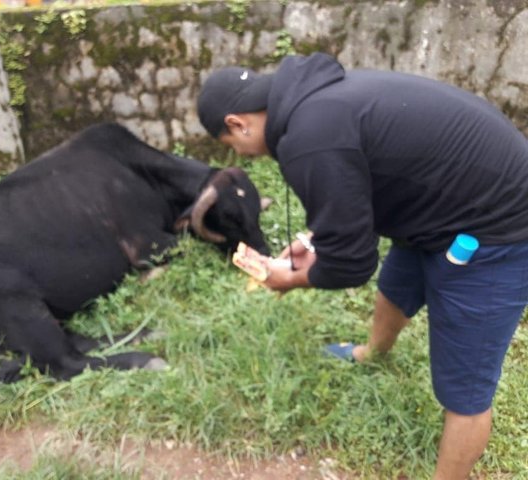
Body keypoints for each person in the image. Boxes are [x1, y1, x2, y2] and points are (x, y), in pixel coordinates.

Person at [196, 52, 528, 479]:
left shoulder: (309, 138)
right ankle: (372, 352)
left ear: (237, 123)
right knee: (396, 286)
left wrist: (293, 279)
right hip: (443, 205)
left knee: (464, 390)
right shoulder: (314, 103)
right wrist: (306, 244)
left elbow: (351, 263)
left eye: (233, 148)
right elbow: (351, 196)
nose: (241, 156)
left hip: (499, 227)